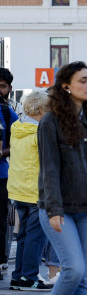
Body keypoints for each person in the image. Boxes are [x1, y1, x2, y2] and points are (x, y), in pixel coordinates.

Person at [37, 61, 87, 295]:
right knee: (74, 269)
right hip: (61, 207)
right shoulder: (51, 121)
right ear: (66, 87)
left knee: (84, 277)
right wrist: (54, 209)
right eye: (83, 80)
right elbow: (49, 168)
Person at [8, 90, 54, 291]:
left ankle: (18, 276)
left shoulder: (17, 128)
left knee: (25, 235)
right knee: (36, 236)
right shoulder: (40, 132)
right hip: (36, 190)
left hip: (18, 190)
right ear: (42, 109)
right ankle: (29, 276)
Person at [0, 67, 20, 276]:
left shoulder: (8, 111)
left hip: (1, 175)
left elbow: (20, 143)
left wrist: (2, 151)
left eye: (2, 87)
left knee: (1, 220)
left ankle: (1, 259)